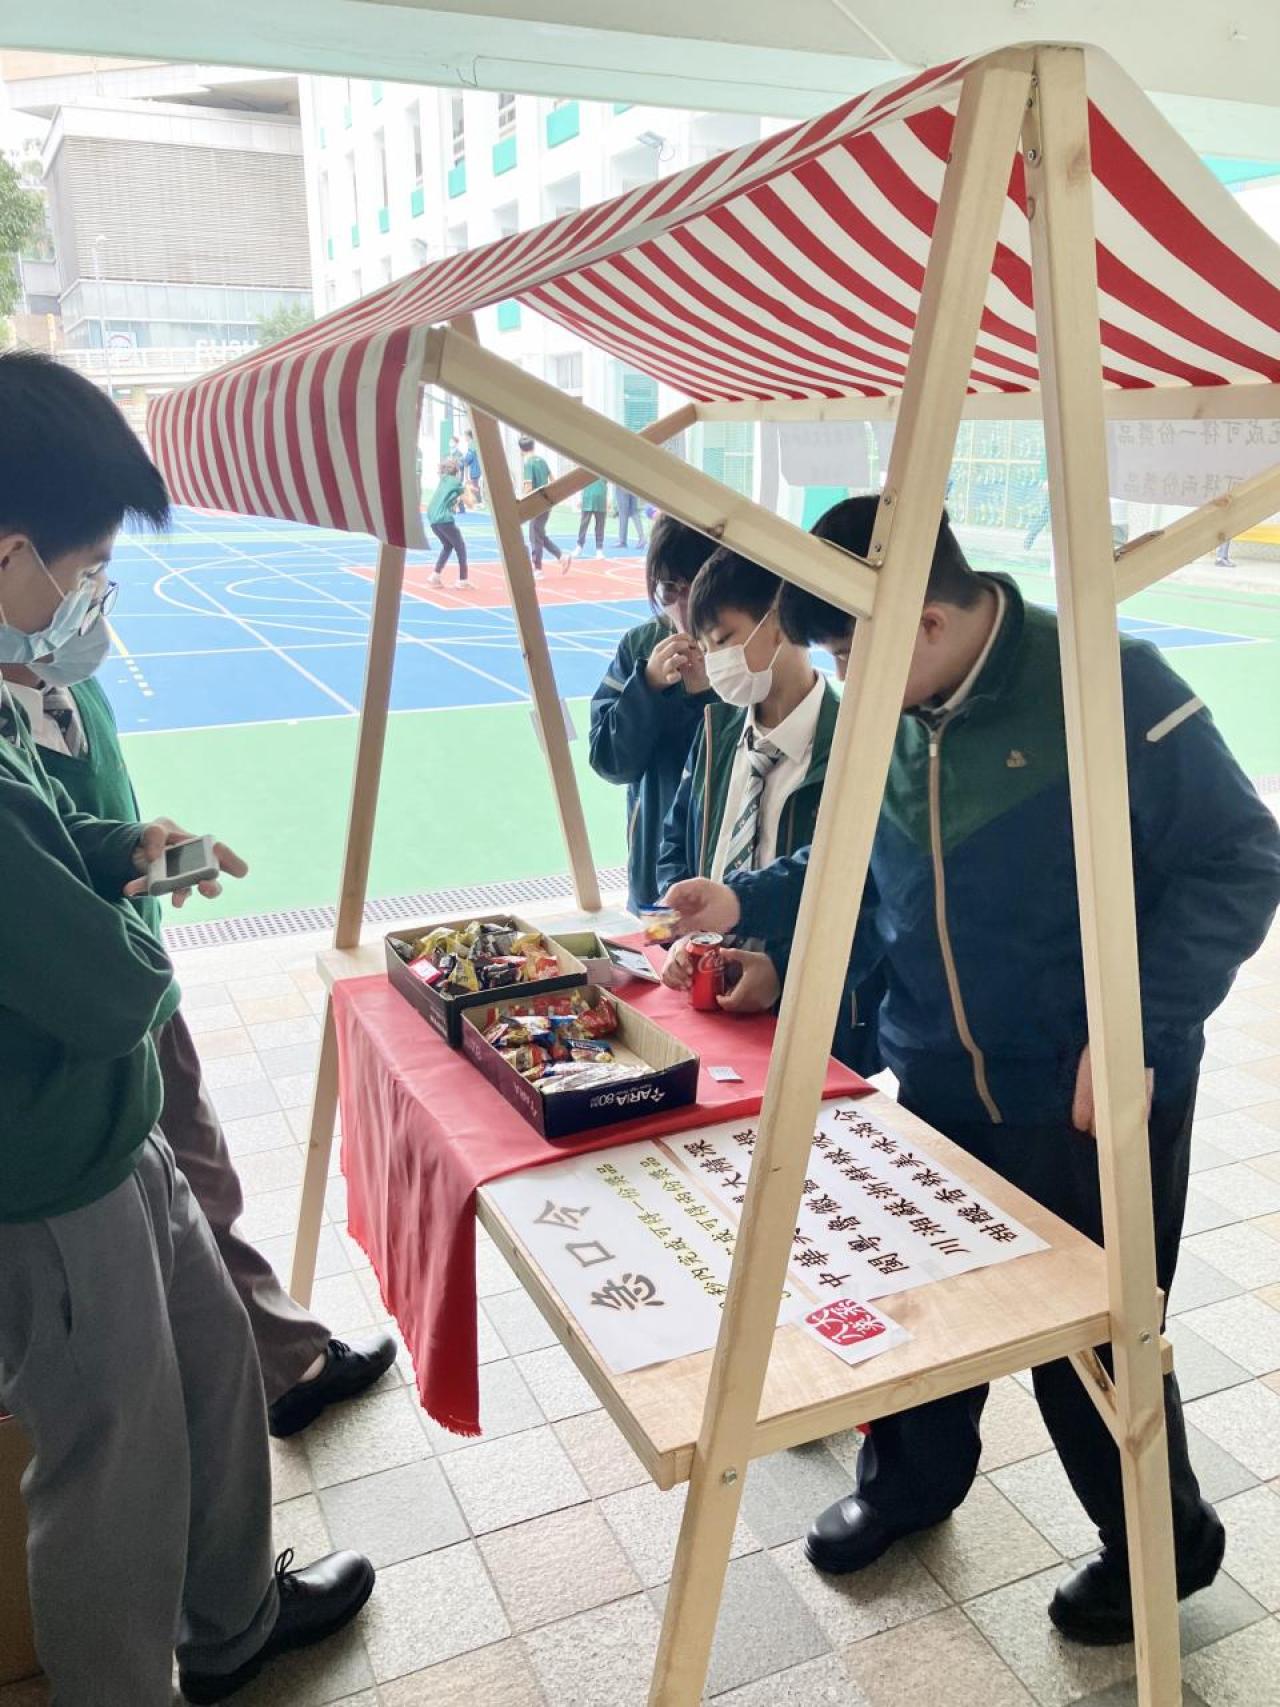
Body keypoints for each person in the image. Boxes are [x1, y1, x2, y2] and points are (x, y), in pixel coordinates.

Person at [665, 495, 1280, 1646]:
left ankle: (1158, 1546)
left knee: (1089, 1338)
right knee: (924, 1297)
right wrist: (753, 911)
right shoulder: (894, 709)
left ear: (929, 621)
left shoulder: (1105, 682)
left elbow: (1240, 858)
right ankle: (909, 1484)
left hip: (1083, 1091)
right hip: (937, 1075)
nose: (839, 679)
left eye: (847, 653)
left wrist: (1136, 1026)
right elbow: (858, 862)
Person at [0, 351, 376, 1703]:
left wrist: (122, 849)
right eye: (87, 566)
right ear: (11, 554)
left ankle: (233, 1620)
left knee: (213, 1364)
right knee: (114, 1458)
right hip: (45, 1171)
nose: (92, 595)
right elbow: (102, 987)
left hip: (110, 1125)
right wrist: (147, 952)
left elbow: (51, 842)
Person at [1, 657, 398, 1439]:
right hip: (80, 1044)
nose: (90, 605)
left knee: (200, 1185)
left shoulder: (63, 684)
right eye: (78, 586)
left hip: (123, 987)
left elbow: (69, 828)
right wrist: (129, 958)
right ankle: (283, 1366)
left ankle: (273, 1363)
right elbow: (71, 940)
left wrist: (135, 847)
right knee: (112, 1432)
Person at [656, 547, 882, 1074]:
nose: (715, 663)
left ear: (778, 623)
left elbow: (871, 900)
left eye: (723, 640)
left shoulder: (858, 746)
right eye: (705, 647)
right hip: (711, 1006)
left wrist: (783, 970)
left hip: (818, 1026)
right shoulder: (715, 734)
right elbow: (674, 847)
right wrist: (676, 933)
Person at [589, 514, 714, 912]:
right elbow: (610, 763)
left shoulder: (744, 649)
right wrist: (646, 686)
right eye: (669, 587)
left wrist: (706, 696)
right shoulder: (640, 646)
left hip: (723, 867)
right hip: (652, 868)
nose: (682, 604)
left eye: (694, 585)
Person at [520, 434, 574, 576]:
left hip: (536, 504)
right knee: (539, 534)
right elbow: (553, 480)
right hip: (546, 502)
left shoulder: (528, 464)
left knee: (534, 535)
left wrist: (523, 500)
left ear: (521, 450)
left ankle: (537, 568)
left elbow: (528, 487)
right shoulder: (542, 461)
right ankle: (561, 556)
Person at [426, 457, 470, 588]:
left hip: (432, 519)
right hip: (444, 519)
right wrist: (468, 490)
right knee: (460, 547)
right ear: (457, 471)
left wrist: (454, 502)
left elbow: (448, 499)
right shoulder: (455, 482)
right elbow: (470, 503)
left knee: (447, 545)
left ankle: (435, 576)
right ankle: (463, 580)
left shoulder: (443, 481)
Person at [577, 475, 608, 558]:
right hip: (587, 499)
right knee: (583, 525)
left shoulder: (605, 471)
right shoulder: (586, 469)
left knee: (600, 526)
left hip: (601, 500)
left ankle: (599, 549)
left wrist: (609, 499)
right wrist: (579, 498)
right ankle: (579, 546)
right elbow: (580, 482)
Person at [615, 485, 647, 550]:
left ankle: (622, 541)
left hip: (622, 485)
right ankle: (642, 538)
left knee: (623, 512)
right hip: (633, 485)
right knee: (634, 511)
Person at [462, 428, 483, 504]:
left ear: (468, 436)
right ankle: (478, 501)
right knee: (475, 485)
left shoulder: (471, 445)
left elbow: (468, 458)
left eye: (465, 436)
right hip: (476, 468)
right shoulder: (474, 443)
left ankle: (478, 502)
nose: (464, 438)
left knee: (475, 486)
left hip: (475, 469)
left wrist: (463, 460)